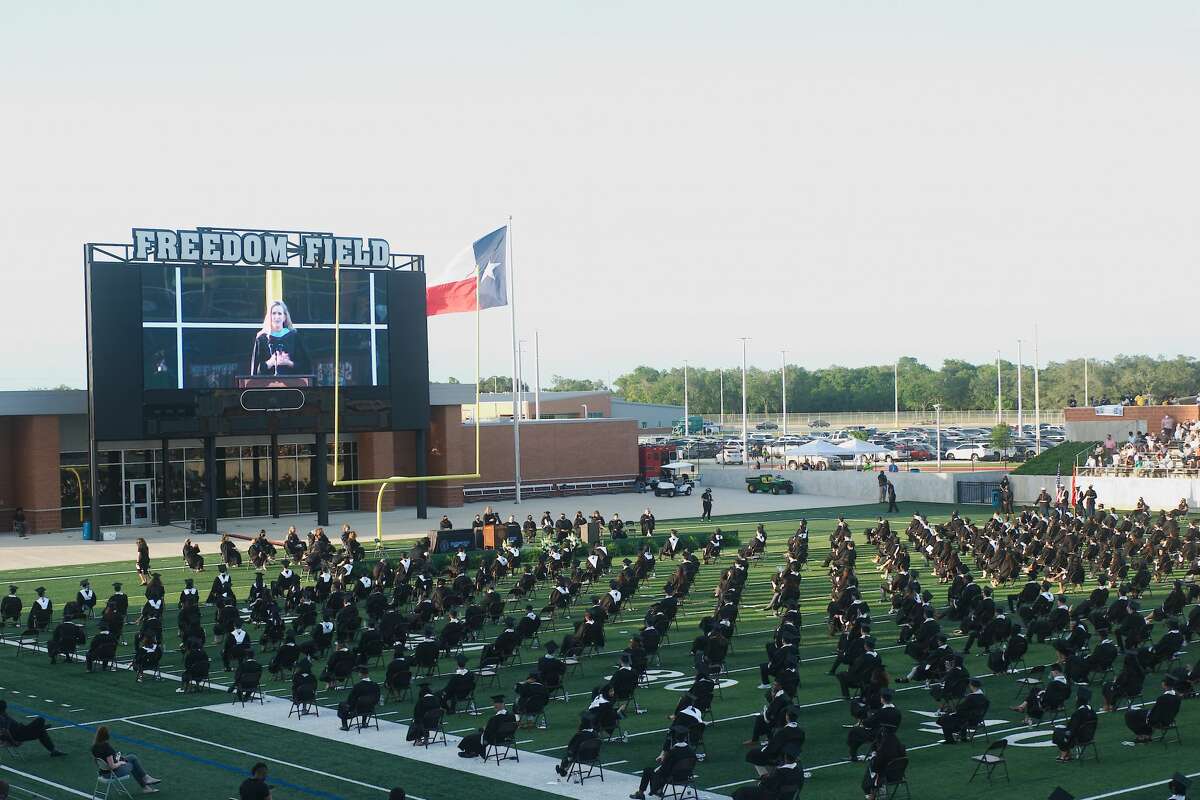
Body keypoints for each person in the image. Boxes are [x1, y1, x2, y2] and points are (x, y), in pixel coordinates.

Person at [630, 726, 696, 800]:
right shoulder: (691, 751)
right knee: (665, 770)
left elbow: (664, 769)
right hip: (686, 776)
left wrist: (662, 761)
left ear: (676, 739)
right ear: (686, 738)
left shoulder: (672, 752)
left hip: (673, 777)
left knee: (648, 770)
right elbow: (692, 764)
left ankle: (641, 793)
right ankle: (658, 790)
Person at [92, 725, 160, 793]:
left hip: (103, 773)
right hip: (112, 773)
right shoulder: (106, 747)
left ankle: (146, 782)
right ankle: (145, 783)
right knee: (133, 764)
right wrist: (120, 763)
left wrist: (118, 759)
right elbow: (111, 766)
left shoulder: (94, 747)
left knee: (132, 757)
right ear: (106, 735)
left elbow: (99, 761)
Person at [251, 300, 308, 376]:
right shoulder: (262, 339)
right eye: (273, 313)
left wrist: (288, 362)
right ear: (269, 316)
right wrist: (270, 362)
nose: (276, 317)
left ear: (284, 317)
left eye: (279, 314)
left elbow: (305, 367)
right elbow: (255, 372)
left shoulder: (294, 337)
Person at [0, 699, 66, 756]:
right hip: (19, 734)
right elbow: (5, 731)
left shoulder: (3, 715)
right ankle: (42, 729)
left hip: (21, 730)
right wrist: (13, 742)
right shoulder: (2, 718)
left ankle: (53, 750)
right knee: (40, 720)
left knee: (41, 732)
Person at [458, 694, 512, 758]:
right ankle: (478, 751)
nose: (494, 705)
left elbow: (489, 730)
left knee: (470, 737)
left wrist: (484, 729)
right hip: (507, 738)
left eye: (496, 704)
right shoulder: (510, 715)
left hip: (495, 739)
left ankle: (470, 752)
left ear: (501, 705)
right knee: (480, 733)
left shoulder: (496, 718)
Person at [1052, 686, 1097, 762]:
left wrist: (1064, 732)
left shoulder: (1078, 713)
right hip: (1090, 737)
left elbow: (1072, 730)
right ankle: (1067, 755)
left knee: (1058, 732)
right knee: (1065, 731)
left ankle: (1064, 755)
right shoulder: (1092, 711)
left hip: (1079, 738)